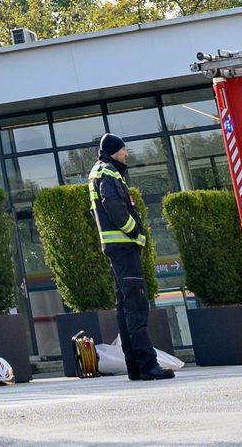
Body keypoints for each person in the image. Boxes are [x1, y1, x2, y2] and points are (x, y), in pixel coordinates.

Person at [86, 134, 175, 380]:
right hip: (124, 247)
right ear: (115, 151)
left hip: (117, 249)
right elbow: (113, 205)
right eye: (124, 150)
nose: (127, 155)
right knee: (136, 306)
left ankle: (135, 366)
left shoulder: (100, 172)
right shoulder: (108, 173)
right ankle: (147, 364)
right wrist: (135, 231)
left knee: (125, 308)